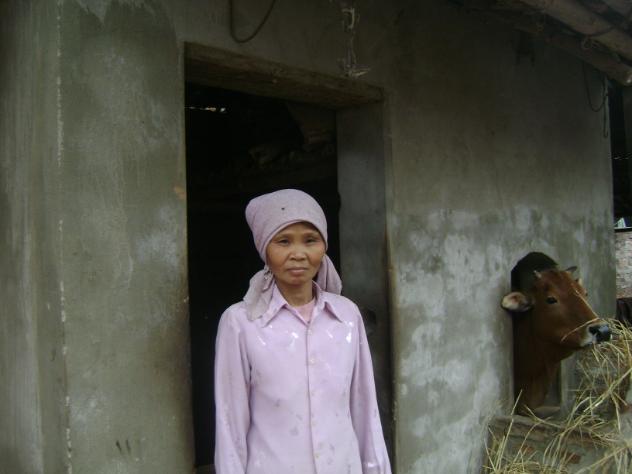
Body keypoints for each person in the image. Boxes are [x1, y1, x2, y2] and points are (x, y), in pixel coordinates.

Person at [214, 189, 391, 474]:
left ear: (323, 246)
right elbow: (229, 424)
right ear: (264, 248)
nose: (298, 254)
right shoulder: (241, 322)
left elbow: (365, 410)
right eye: (283, 241)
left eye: (310, 240)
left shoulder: (347, 316)